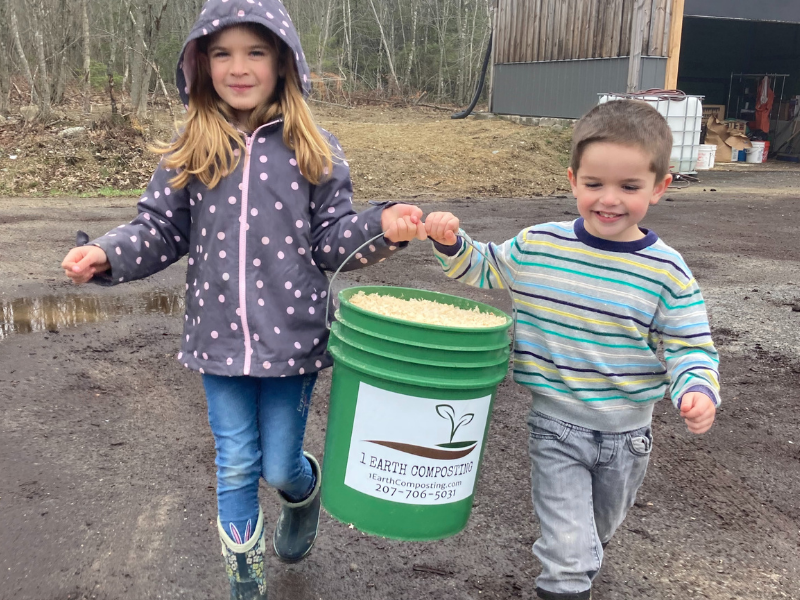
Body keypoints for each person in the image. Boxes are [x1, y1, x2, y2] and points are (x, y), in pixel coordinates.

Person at [60, 2, 426, 598]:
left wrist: (385, 226)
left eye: (254, 52)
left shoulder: (316, 148)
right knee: (234, 463)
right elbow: (159, 229)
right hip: (217, 340)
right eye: (223, 53)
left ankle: (301, 498)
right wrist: (106, 252)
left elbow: (332, 242)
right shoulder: (192, 146)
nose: (238, 67)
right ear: (202, 65)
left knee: (278, 466)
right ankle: (245, 583)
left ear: (282, 61)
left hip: (295, 339)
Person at [423, 100, 720, 600]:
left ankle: (578, 567)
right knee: (568, 553)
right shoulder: (539, 245)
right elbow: (486, 268)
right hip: (555, 428)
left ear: (660, 187)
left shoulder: (668, 271)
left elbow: (689, 343)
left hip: (628, 439)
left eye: (629, 187)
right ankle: (566, 581)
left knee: (594, 537)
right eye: (594, 184)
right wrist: (452, 242)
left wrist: (697, 389)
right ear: (573, 179)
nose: (609, 200)